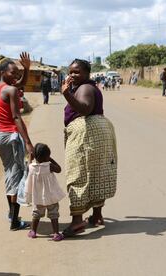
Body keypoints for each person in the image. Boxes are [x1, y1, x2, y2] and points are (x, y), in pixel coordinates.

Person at [61, 59, 117, 237]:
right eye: (71, 72)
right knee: (96, 172)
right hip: (97, 131)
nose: (72, 75)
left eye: (77, 72)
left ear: (87, 73)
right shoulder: (84, 87)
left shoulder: (84, 88)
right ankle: (97, 215)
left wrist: (66, 95)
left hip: (87, 135)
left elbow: (85, 109)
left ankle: (77, 222)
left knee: (78, 173)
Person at [0, 53, 34, 231]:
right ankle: (15, 221)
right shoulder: (11, 90)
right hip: (12, 136)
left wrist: (26, 69)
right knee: (17, 176)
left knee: (10, 173)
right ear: (2, 72)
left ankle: (11, 214)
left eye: (17, 72)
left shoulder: (0, 87)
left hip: (1, 135)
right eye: (13, 72)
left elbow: (20, 84)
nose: (16, 75)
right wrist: (28, 142)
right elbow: (16, 117)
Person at [25, 143, 65, 241]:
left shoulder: (32, 167)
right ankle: (56, 233)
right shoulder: (49, 166)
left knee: (36, 214)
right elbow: (59, 169)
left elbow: (28, 166)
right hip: (51, 196)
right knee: (54, 214)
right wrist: (50, 159)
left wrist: (31, 157)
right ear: (47, 156)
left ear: (35, 156)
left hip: (38, 197)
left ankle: (33, 231)